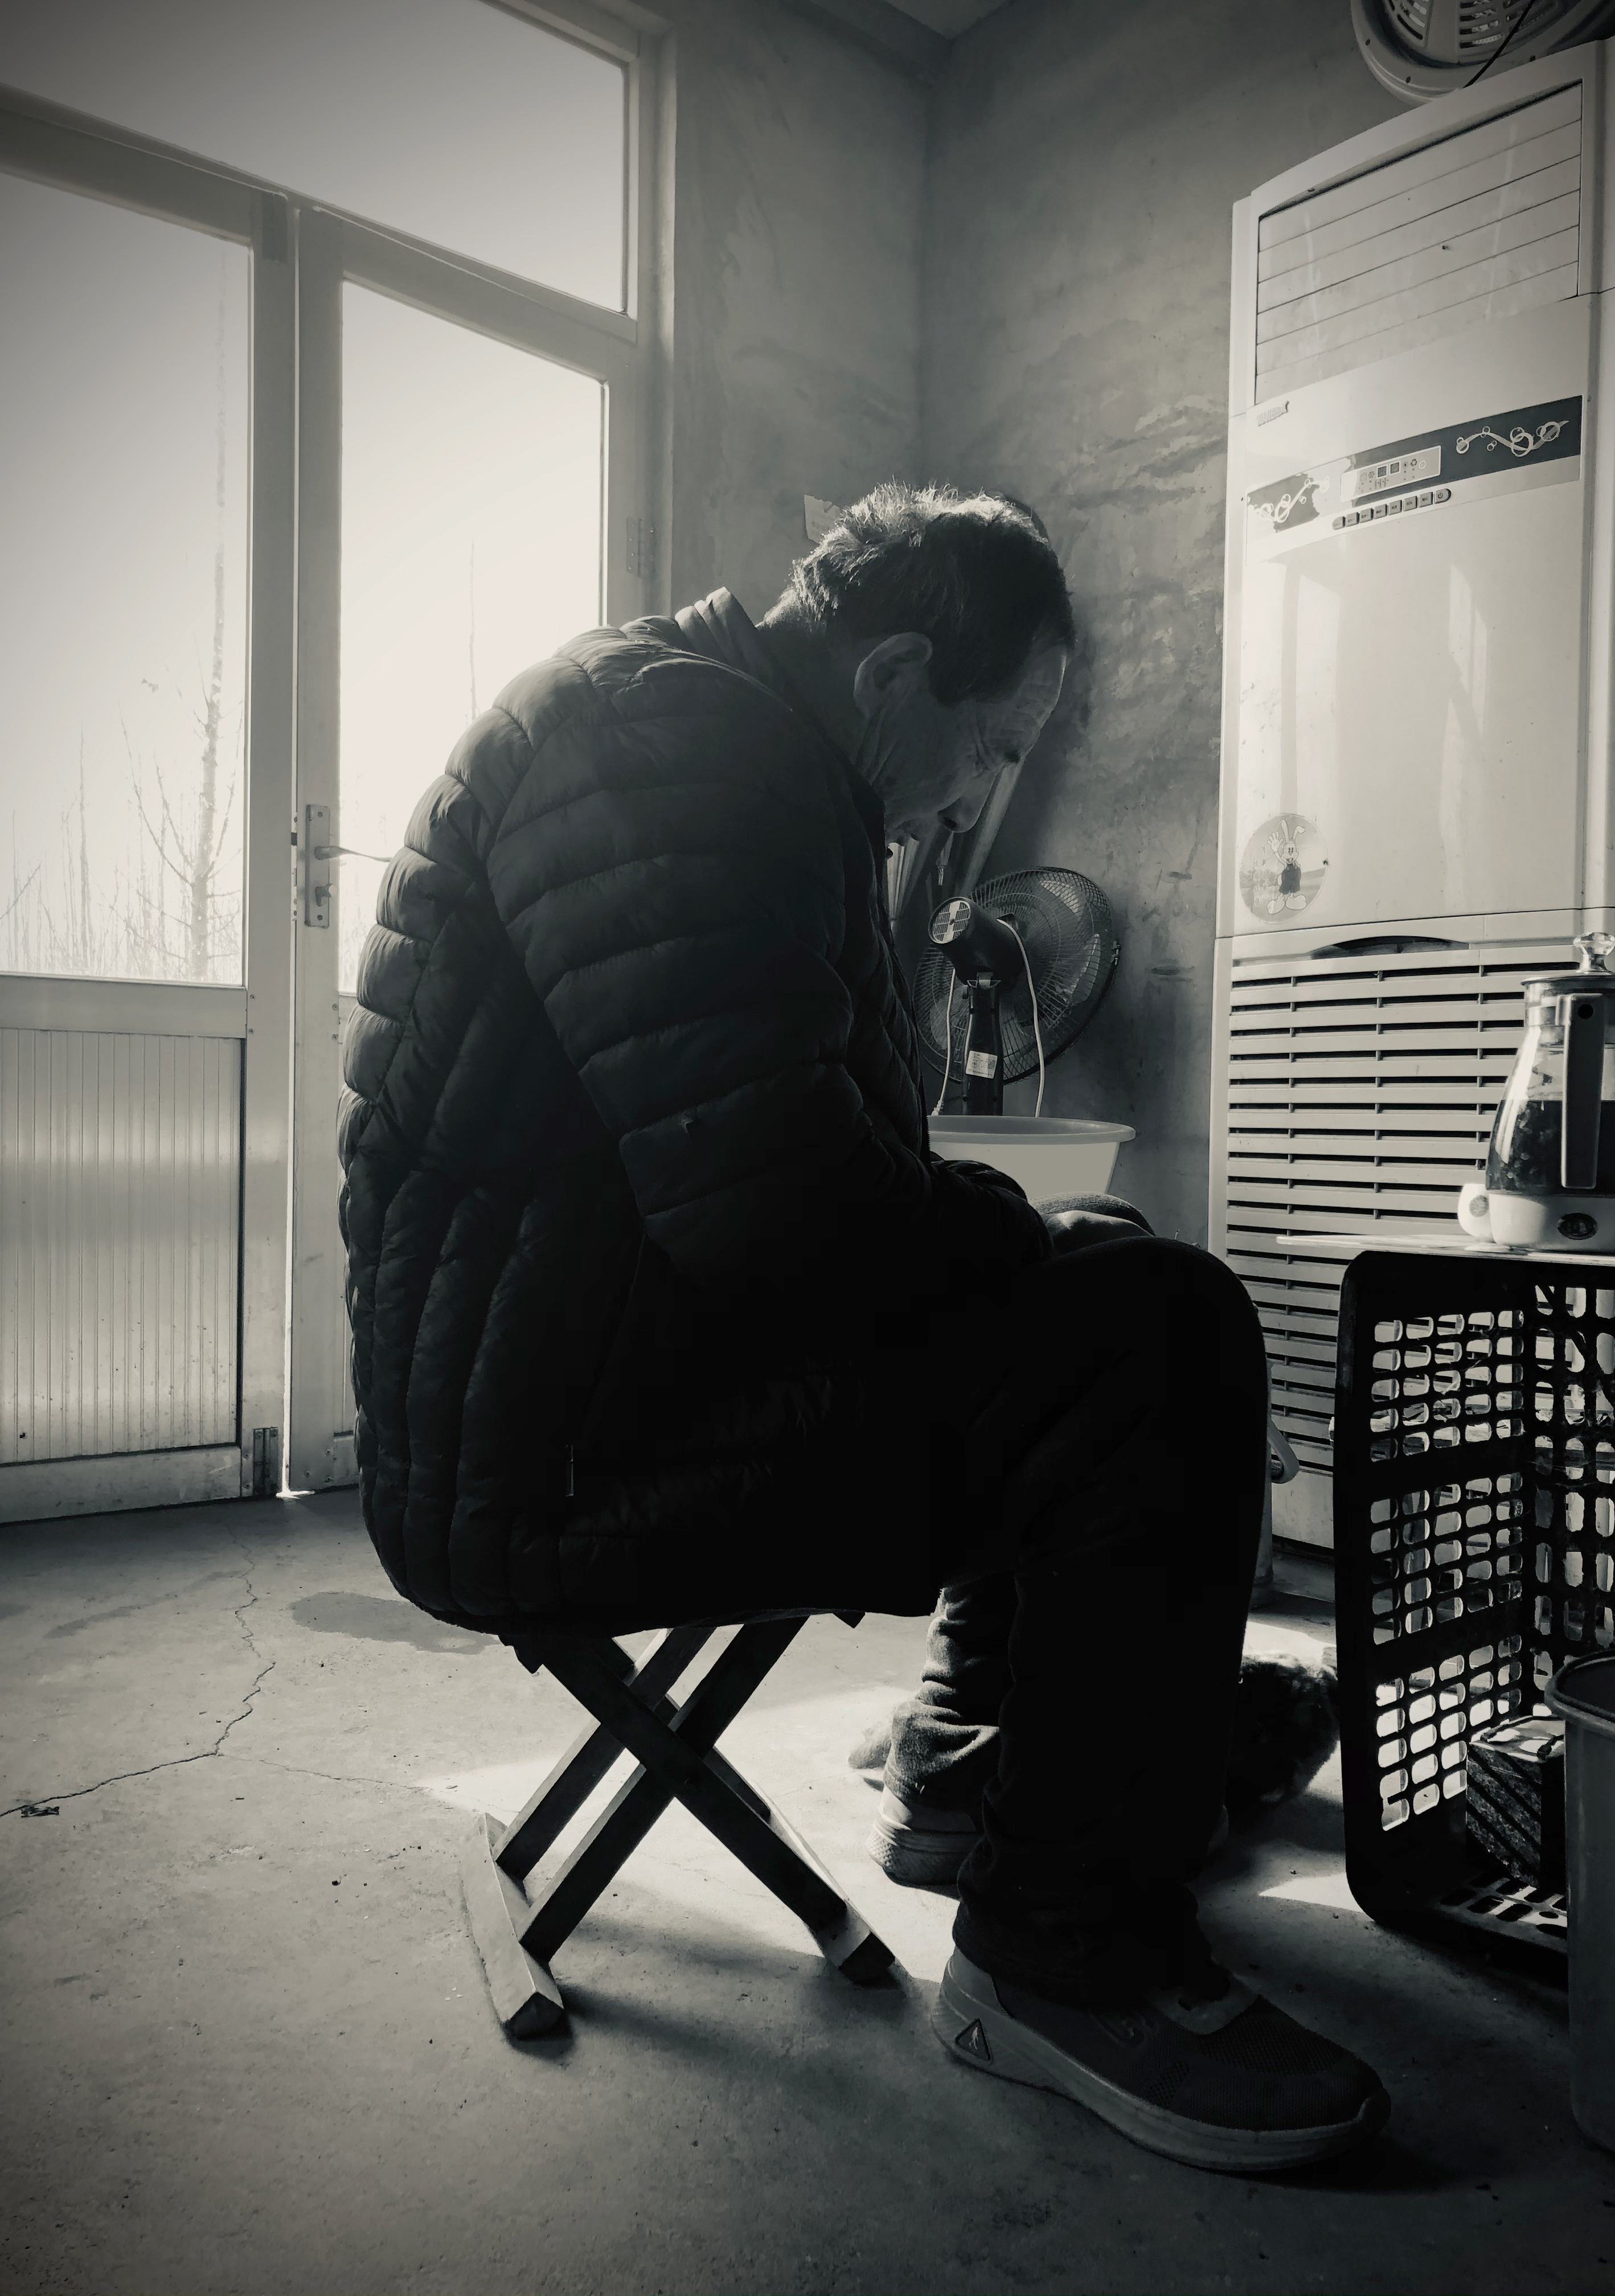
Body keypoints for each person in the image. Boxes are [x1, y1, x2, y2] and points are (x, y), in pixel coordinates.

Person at [338, 482, 1387, 2172]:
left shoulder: (714, 734)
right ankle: (1064, 1959)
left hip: (583, 1376)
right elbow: (777, 1205)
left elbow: (801, 1162)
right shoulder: (684, 753)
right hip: (554, 1450)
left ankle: (975, 1768)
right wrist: (1010, 1241)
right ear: (894, 673)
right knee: (1163, 1329)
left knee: (1105, 1268)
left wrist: (1021, 1241)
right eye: (991, 748)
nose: (979, 798)